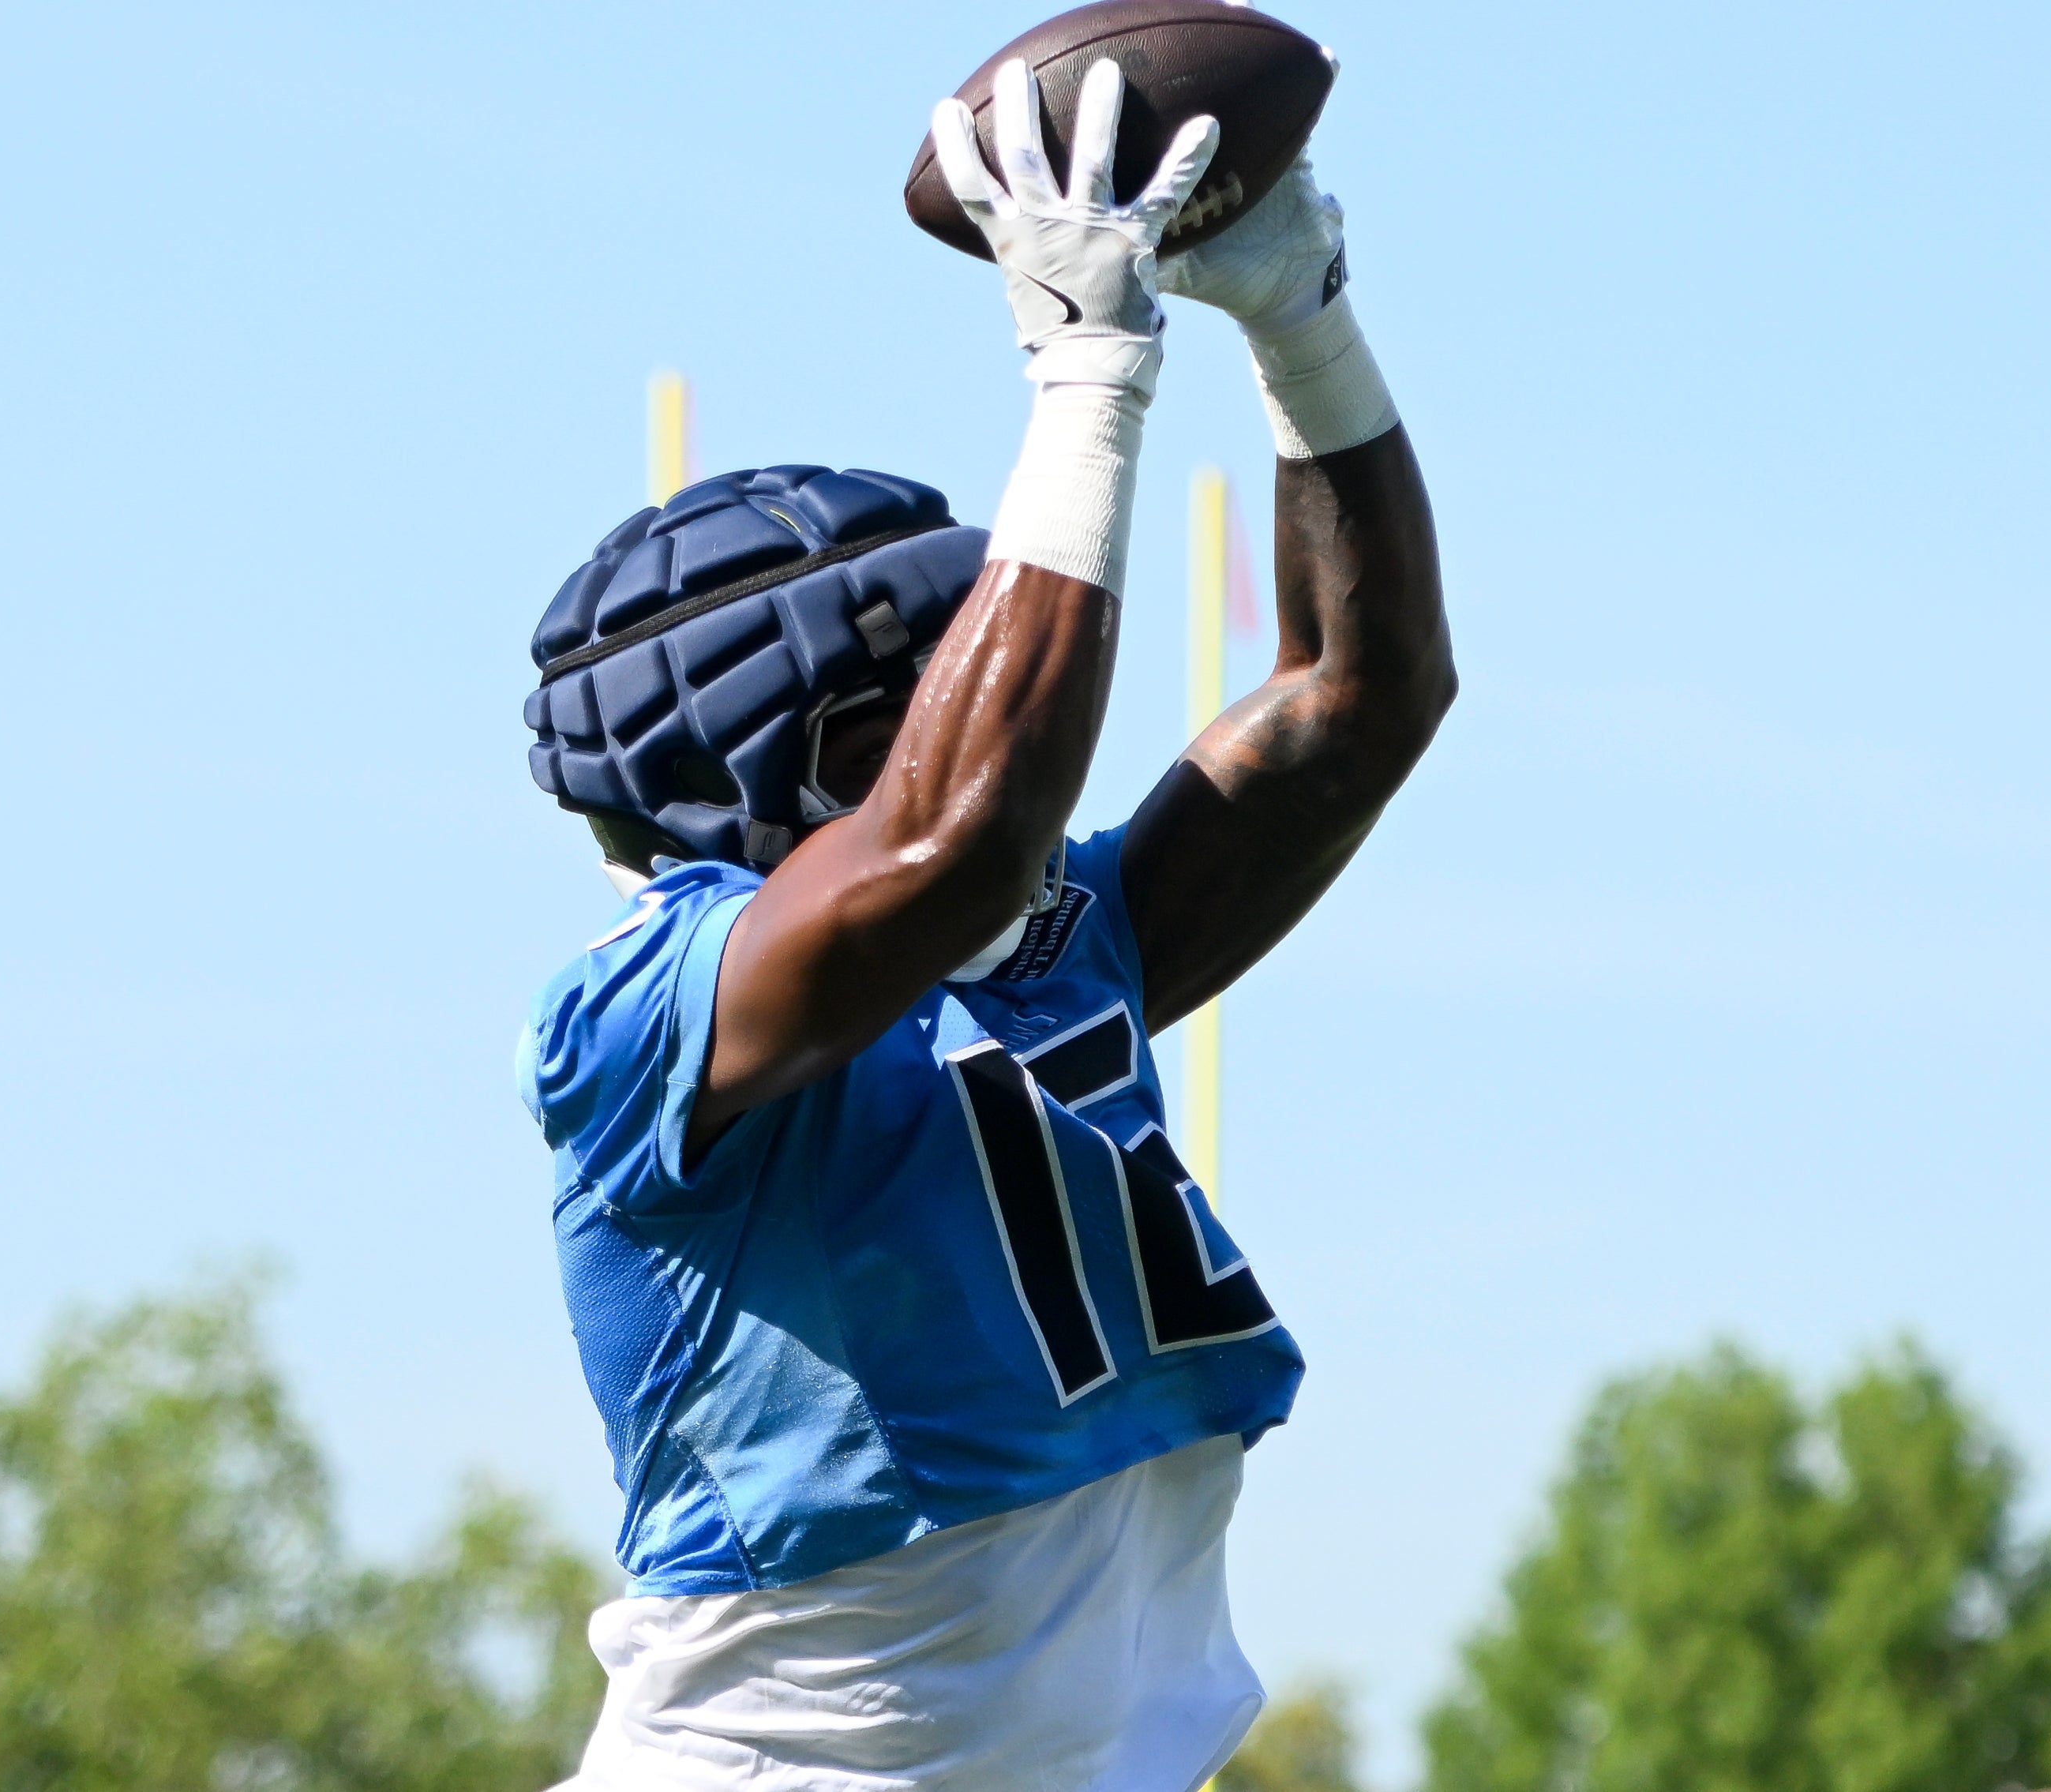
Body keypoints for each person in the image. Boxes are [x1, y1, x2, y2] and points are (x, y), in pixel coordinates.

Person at [517, 54, 1451, 1791]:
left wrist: (1299, 323)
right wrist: (1087, 381)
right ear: (764, 772)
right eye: (912, 703)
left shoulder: (1041, 945)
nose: (979, 711)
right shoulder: (637, 1010)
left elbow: (1357, 694)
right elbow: (943, 841)